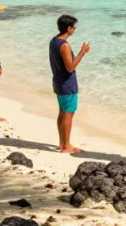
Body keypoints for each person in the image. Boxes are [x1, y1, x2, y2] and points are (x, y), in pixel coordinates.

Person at [49, 14, 90, 153]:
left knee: (62, 113)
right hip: (67, 83)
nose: (75, 29)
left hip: (58, 81)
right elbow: (70, 67)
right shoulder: (64, 45)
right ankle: (66, 145)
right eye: (74, 27)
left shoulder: (54, 41)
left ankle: (62, 143)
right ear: (68, 28)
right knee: (68, 114)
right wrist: (82, 52)